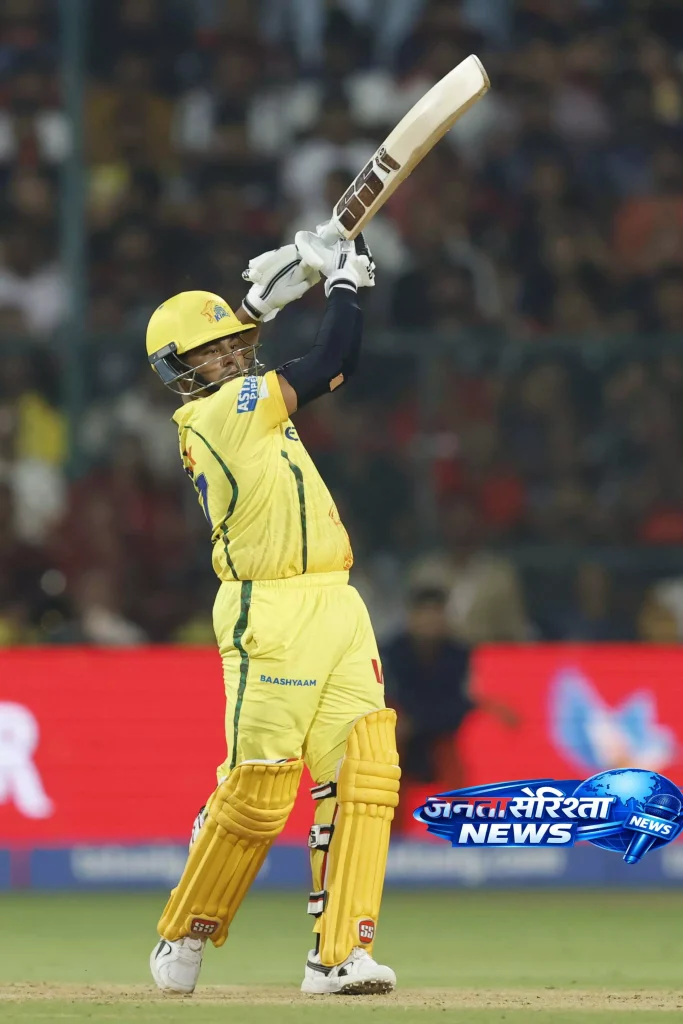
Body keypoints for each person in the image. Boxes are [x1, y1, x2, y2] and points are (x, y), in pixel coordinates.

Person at [145, 231, 400, 996]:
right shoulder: (218, 413)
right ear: (180, 373)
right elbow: (332, 364)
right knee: (260, 790)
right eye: (209, 353)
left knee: (363, 775)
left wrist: (268, 298)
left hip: (336, 602)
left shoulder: (241, 395)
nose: (228, 357)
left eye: (233, 344)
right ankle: (184, 931)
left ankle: (338, 956)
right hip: (269, 608)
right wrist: (345, 283)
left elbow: (250, 350)